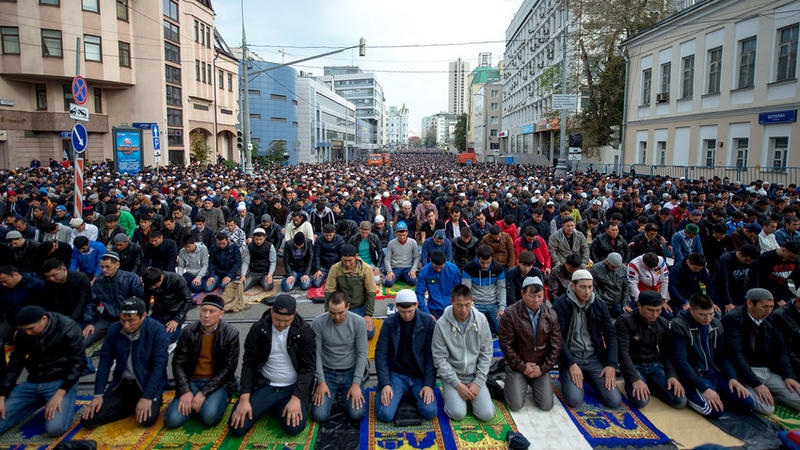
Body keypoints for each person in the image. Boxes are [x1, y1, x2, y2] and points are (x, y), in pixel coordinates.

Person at [228, 295, 314, 436]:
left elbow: (308, 368)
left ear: (294, 314)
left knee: (294, 427)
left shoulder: (304, 331)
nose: (281, 324)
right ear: (271, 311)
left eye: (287, 321)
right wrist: (244, 398)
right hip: (265, 385)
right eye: (278, 320)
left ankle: (276, 406)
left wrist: (297, 397)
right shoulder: (259, 329)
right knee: (236, 427)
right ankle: (270, 405)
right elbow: (249, 363)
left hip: (291, 388)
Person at [81, 297, 169, 428]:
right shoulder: (114, 329)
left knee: (146, 420)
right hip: (123, 384)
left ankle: (147, 401)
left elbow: (159, 367)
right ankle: (130, 405)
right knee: (88, 420)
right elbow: (105, 362)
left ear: (143, 316)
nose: (126, 325)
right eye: (123, 320)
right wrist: (98, 394)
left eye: (131, 321)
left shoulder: (157, 330)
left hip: (146, 383)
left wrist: (147, 397)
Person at [0, 306, 85, 436]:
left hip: (60, 382)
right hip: (33, 383)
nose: (28, 333)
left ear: (44, 319)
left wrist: (60, 393)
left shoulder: (67, 327)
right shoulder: (23, 333)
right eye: (24, 330)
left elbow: (79, 363)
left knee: (55, 428)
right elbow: (15, 365)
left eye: (31, 329)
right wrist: (2, 395)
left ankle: (65, 402)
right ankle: (34, 402)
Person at [671, 294, 754, 419]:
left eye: (711, 314)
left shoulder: (716, 324)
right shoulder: (680, 325)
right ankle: (695, 394)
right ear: (691, 310)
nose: (708, 318)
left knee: (747, 403)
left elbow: (722, 355)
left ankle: (719, 394)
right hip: (695, 376)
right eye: (702, 315)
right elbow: (681, 361)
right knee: (713, 411)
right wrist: (703, 388)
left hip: (715, 373)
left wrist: (732, 377)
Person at [165, 295, 240, 429]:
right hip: (191, 381)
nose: (206, 315)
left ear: (221, 314)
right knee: (172, 420)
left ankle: (217, 399)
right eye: (204, 310)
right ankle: (197, 404)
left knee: (209, 417)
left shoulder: (230, 333)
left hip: (216, 382)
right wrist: (185, 390)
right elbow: (178, 363)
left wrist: (203, 392)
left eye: (212, 311)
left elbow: (229, 368)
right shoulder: (188, 331)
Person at [722, 288, 800, 415]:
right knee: (766, 408)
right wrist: (756, 384)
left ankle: (772, 393)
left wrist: (788, 375)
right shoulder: (733, 319)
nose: (768, 310)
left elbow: (781, 348)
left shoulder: (771, 317)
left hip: (767, 370)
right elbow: (736, 355)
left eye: (771, 307)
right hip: (746, 371)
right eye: (764, 307)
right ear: (750, 303)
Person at [552, 270, 622, 408]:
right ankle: (568, 376)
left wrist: (611, 365)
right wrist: (571, 363)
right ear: (573, 286)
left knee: (614, 401)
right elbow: (557, 337)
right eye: (583, 287)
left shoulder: (599, 304)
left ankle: (590, 378)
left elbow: (610, 335)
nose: (587, 292)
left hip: (594, 359)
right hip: (572, 359)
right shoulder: (561, 304)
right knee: (575, 400)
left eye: (590, 287)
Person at [431, 284, 494, 421]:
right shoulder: (441, 324)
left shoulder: (481, 320)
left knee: (486, 414)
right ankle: (456, 396)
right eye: (459, 305)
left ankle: (476, 393)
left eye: (467, 305)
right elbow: (439, 359)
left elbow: (487, 352)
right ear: (451, 301)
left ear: (472, 301)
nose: (464, 310)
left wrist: (478, 382)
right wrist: (457, 385)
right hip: (453, 376)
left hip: (475, 374)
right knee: (457, 413)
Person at [616, 291, 687, 409]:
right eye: (650, 310)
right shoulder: (625, 321)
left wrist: (672, 376)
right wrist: (635, 379)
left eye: (658, 310)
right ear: (639, 306)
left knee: (680, 400)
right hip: (634, 365)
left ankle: (651, 385)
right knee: (641, 401)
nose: (654, 314)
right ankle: (637, 383)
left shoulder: (663, 323)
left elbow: (666, 353)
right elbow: (623, 353)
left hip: (654, 364)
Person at [374, 289, 437, 422]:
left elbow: (431, 356)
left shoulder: (427, 322)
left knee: (430, 411)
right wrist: (385, 384)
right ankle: (398, 392)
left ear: (416, 305)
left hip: (418, 375)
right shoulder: (389, 323)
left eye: (410, 311)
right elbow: (381, 354)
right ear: (396, 306)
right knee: (385, 414)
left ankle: (409, 393)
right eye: (403, 312)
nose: (407, 315)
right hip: (396, 374)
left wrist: (428, 385)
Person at [499, 276, 561, 411]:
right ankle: (511, 379)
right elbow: (505, 345)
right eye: (533, 296)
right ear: (523, 294)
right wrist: (522, 367)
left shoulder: (551, 315)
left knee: (546, 405)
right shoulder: (510, 314)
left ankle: (530, 381)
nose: (537, 300)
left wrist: (542, 368)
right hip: (517, 365)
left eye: (540, 296)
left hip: (540, 365)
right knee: (515, 404)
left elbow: (556, 347)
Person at [311, 292, 369, 422]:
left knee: (357, 414)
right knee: (319, 415)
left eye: (340, 313)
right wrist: (321, 382)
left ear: (348, 307)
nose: (336, 317)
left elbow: (362, 353)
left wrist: (356, 383)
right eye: (332, 313)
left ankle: (344, 394)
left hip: (350, 372)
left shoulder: (358, 322)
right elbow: (316, 354)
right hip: (327, 372)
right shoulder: (318, 322)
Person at [83, 252, 144, 346]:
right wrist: (89, 322)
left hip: (128, 318)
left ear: (117, 265)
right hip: (107, 318)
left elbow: (140, 302)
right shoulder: (98, 282)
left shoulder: (131, 278)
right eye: (102, 267)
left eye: (108, 267)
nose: (104, 270)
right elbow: (91, 303)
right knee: (84, 340)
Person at [461, 245, 506, 334]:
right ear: (477, 258)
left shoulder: (498, 268)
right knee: (474, 331)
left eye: (487, 263)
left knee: (503, 330)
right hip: (476, 303)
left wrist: (502, 308)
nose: (485, 266)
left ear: (492, 258)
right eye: (482, 263)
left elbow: (502, 288)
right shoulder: (469, 268)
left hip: (493, 303)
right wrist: (471, 307)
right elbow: (466, 290)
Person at [141, 267, 192, 344]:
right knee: (143, 334)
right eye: (151, 286)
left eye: (154, 285)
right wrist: (144, 315)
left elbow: (188, 300)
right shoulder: (149, 282)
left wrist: (177, 320)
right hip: (158, 312)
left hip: (175, 314)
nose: (153, 287)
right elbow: (146, 299)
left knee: (166, 338)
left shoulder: (177, 279)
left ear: (161, 278)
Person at [711, 245, 759, 312]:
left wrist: (755, 297)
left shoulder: (752, 261)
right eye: (746, 260)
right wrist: (728, 302)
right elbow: (723, 282)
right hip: (723, 291)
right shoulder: (726, 259)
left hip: (740, 289)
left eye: (751, 261)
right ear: (739, 254)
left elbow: (754, 280)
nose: (748, 263)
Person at [41, 258, 91, 323]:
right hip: (58, 315)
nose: (51, 279)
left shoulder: (81, 278)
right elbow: (47, 302)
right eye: (48, 276)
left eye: (53, 275)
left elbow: (82, 303)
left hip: (78, 315)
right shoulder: (48, 282)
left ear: (63, 269)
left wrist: (70, 321)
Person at [415, 251, 461, 319]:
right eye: (436, 267)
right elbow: (419, 294)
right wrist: (426, 313)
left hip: (452, 307)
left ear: (446, 261)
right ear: (431, 261)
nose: (438, 270)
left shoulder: (453, 269)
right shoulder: (425, 271)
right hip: (434, 309)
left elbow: (459, 290)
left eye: (441, 267)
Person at [756, 242, 800, 306]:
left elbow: (796, 278)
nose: (793, 260)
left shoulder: (793, 260)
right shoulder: (766, 258)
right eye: (791, 257)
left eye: (795, 258)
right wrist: (778, 299)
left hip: (783, 290)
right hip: (767, 293)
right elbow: (763, 282)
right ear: (783, 250)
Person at [590, 252, 631, 317]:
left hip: (617, 301)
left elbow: (626, 287)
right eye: (613, 267)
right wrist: (599, 302)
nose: (615, 269)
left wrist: (625, 303)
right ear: (607, 262)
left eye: (617, 267)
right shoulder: (595, 269)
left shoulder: (623, 268)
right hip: (603, 301)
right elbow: (592, 288)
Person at [384, 221, 420, 287]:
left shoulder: (413, 242)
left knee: (413, 282)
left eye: (404, 235)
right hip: (395, 268)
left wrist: (413, 270)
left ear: (407, 233)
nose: (402, 237)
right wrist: (389, 271)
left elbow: (416, 257)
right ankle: (400, 277)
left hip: (407, 268)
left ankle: (400, 277)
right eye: (400, 235)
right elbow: (387, 259)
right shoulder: (391, 243)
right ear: (396, 233)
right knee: (388, 283)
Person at [240, 227, 277, 292]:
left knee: (267, 287)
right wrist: (243, 275)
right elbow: (246, 262)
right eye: (256, 239)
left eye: (261, 239)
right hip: (253, 272)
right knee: (242, 287)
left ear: (264, 238)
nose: (259, 241)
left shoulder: (270, 246)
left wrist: (270, 274)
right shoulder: (249, 247)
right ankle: (257, 281)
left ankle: (259, 281)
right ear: (253, 238)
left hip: (265, 272)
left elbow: (273, 262)